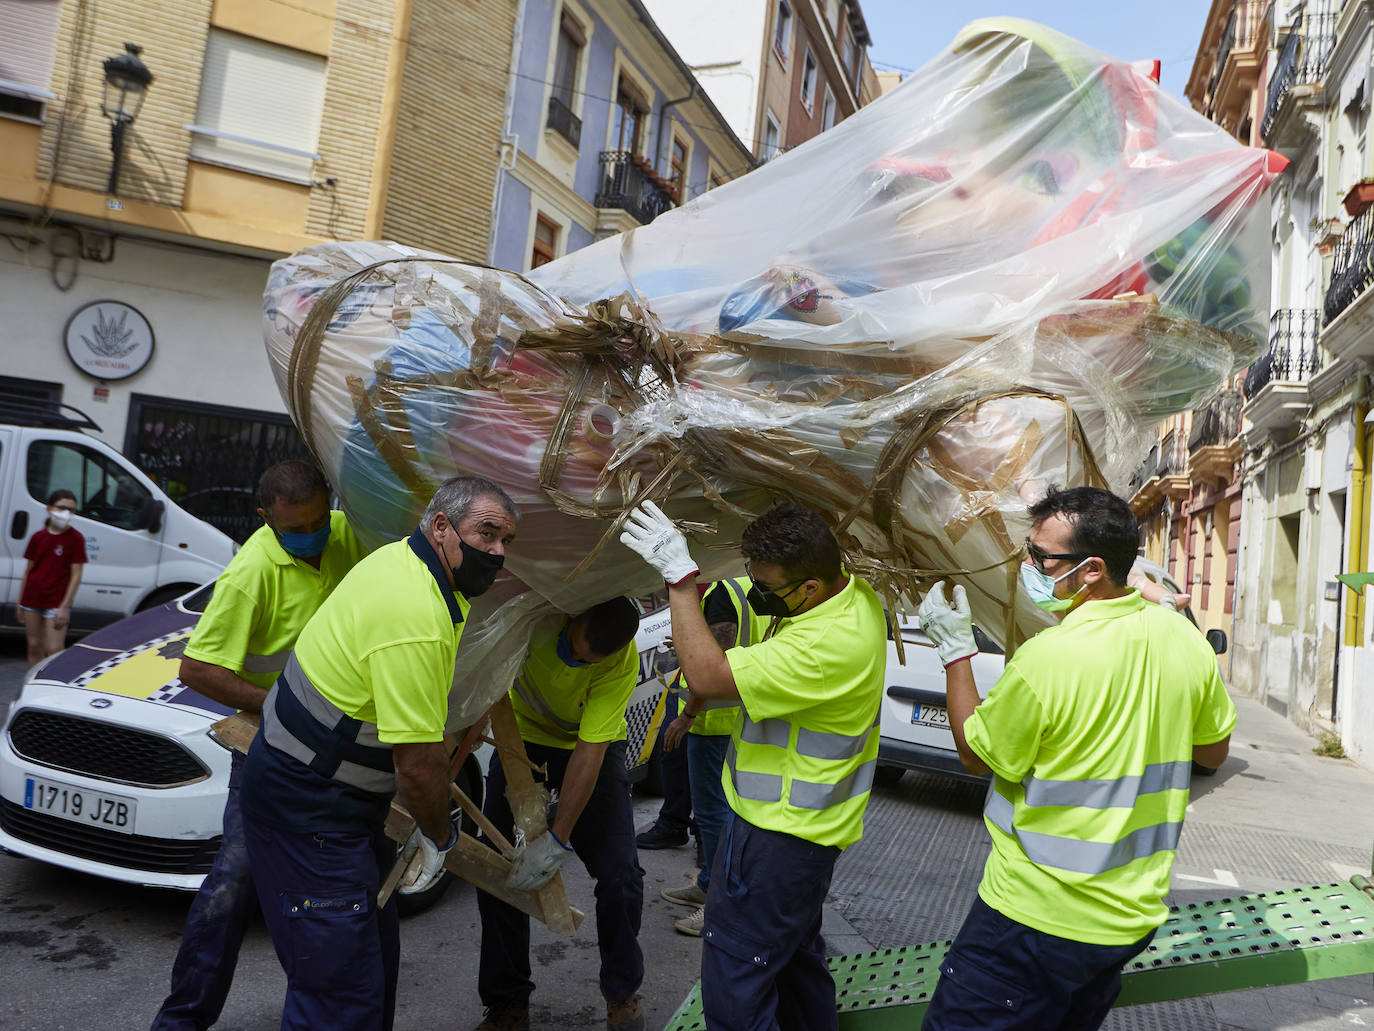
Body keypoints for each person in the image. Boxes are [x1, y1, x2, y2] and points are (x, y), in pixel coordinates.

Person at [916, 485, 1236, 1031]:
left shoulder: (1049, 658)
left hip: (1034, 919)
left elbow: (975, 756)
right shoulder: (1182, 640)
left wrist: (955, 654)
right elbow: (1213, 749)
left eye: (1041, 558)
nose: (1030, 566)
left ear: (1091, 569)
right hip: (1124, 922)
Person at [240, 475, 517, 1031]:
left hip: (331, 802)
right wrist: (439, 836)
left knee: (371, 966)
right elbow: (416, 767)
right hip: (309, 810)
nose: (498, 551)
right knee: (339, 996)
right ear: (441, 527)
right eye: (486, 533)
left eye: (506, 539)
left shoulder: (404, 562)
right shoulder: (415, 612)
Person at [620, 500, 887, 1031]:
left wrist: (680, 579)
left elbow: (709, 678)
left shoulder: (827, 643)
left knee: (737, 981)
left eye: (766, 586)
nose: (758, 594)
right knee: (795, 966)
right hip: (808, 838)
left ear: (810, 586)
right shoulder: (853, 596)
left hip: (777, 839)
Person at [150, 460, 367, 1031]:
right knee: (234, 882)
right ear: (265, 519)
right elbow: (196, 669)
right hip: (271, 747)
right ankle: (182, 1019)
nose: (313, 536)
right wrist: (283, 708)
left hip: (345, 747)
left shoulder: (351, 534)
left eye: (320, 521)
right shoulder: (252, 573)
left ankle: (335, 994)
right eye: (295, 529)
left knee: (350, 875)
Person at [475, 596, 647, 1031]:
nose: (576, 661)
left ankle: (622, 992)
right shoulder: (536, 619)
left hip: (591, 748)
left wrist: (556, 840)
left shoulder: (620, 662)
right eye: (574, 649)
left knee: (621, 875)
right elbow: (485, 683)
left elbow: (590, 753)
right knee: (496, 871)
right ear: (574, 616)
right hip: (524, 736)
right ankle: (507, 1000)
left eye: (588, 661)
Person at [658, 577, 760, 937]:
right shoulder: (751, 585)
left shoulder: (721, 592)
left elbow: (714, 662)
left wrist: (688, 716)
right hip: (740, 714)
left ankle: (715, 903)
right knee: (722, 811)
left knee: (712, 814)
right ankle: (706, 884)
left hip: (711, 718)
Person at [15, 490, 86, 666]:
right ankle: (33, 686)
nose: (66, 513)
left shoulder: (76, 539)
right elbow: (28, 571)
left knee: (54, 649)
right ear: (49, 509)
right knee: (34, 645)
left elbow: (76, 574)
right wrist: (20, 602)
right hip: (32, 599)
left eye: (71, 510)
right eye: (62, 508)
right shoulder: (38, 537)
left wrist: (64, 606)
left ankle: (51, 685)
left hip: (56, 602)